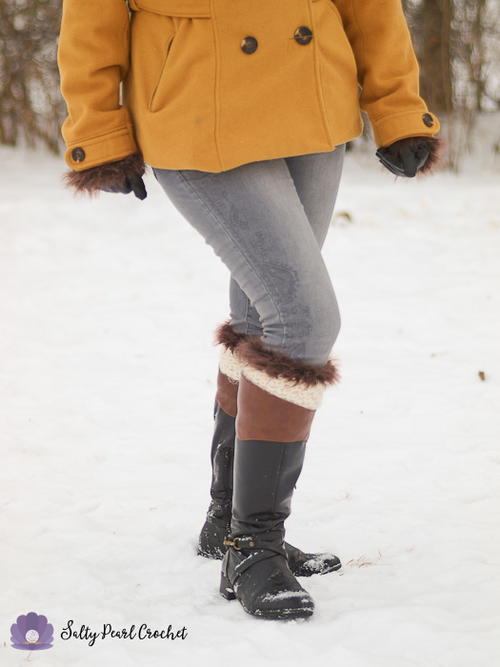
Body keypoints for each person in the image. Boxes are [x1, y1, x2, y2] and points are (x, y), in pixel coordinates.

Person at [57, 0, 444, 621]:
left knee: (267, 318)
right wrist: (98, 130)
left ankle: (225, 518)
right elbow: (90, 21)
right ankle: (252, 547)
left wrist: (397, 107)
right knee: (304, 318)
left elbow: (371, 7)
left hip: (313, 102)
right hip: (196, 111)